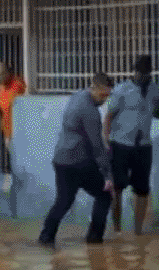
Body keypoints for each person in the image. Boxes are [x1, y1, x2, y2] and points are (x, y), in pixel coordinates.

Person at [38, 72, 115, 247]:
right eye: (103, 95)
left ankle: (46, 237)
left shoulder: (78, 96)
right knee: (104, 195)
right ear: (94, 88)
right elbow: (97, 146)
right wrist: (108, 176)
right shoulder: (90, 112)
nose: (104, 100)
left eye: (108, 96)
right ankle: (95, 240)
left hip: (62, 160)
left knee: (63, 201)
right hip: (78, 163)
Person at [103, 55, 159, 235]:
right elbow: (108, 116)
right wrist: (106, 141)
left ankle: (138, 231)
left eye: (146, 72)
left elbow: (157, 114)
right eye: (140, 71)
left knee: (142, 189)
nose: (143, 75)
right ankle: (117, 229)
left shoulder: (155, 90)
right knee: (117, 188)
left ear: (150, 72)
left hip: (143, 146)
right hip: (121, 144)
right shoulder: (122, 90)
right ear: (135, 71)